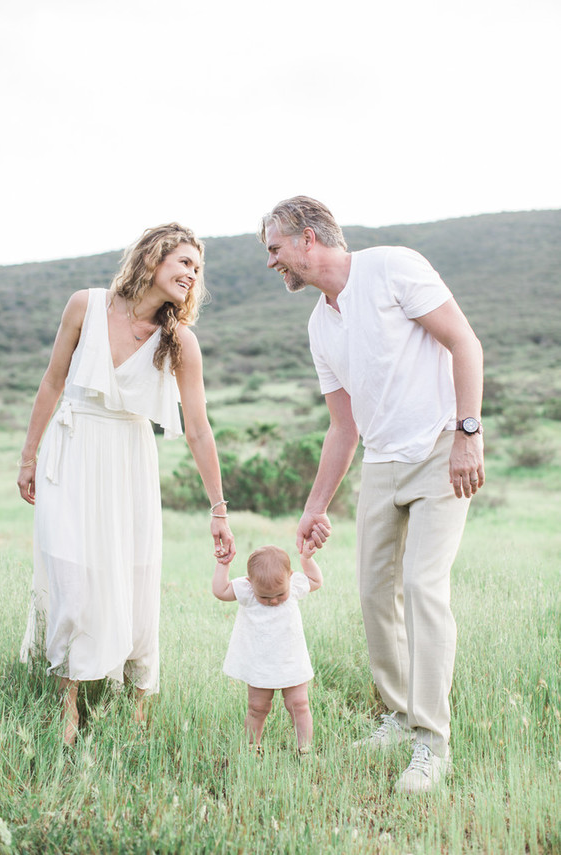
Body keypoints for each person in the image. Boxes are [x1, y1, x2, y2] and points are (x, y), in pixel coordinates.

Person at [258, 196, 485, 793]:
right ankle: (397, 714)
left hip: (441, 448)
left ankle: (431, 746)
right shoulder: (319, 325)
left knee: (422, 586)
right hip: (382, 463)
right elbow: (343, 426)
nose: (272, 262)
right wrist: (315, 507)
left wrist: (467, 434)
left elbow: (465, 343)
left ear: (307, 238)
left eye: (275, 249)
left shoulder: (393, 268)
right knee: (373, 593)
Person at [17, 223, 235, 745]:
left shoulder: (178, 339)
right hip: (70, 450)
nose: (191, 274)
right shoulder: (84, 305)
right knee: (71, 571)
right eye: (184, 262)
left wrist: (218, 507)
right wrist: (28, 455)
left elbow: (199, 428)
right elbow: (52, 380)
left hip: (129, 460)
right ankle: (67, 702)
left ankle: (137, 702)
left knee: (133, 575)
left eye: (197, 269)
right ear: (154, 257)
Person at [212, 539, 324, 755]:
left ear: (290, 578)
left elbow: (316, 581)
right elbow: (221, 590)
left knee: (299, 704)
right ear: (249, 583)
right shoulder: (247, 592)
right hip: (259, 663)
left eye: (280, 595)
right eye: (265, 597)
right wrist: (223, 563)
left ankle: (305, 749)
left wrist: (307, 559)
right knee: (257, 708)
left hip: (291, 660)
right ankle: (252, 747)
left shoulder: (294, 584)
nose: (274, 601)